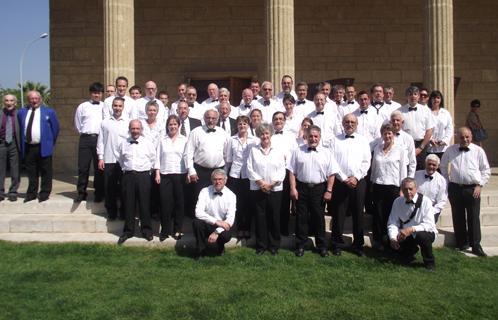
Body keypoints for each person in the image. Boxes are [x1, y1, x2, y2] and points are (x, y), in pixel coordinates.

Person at [441, 127, 491, 257]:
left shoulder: (478, 151)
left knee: (473, 217)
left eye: (467, 137)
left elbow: (486, 170)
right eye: (462, 137)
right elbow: (443, 165)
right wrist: (447, 182)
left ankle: (475, 245)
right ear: (457, 137)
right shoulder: (450, 150)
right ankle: (461, 242)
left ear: (471, 137)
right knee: (457, 216)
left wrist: (480, 185)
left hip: (472, 189)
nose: (464, 139)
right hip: (455, 187)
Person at [288, 125, 336, 257]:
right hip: (302, 188)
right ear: (306, 137)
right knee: (301, 218)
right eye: (311, 136)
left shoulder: (327, 153)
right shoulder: (298, 151)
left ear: (320, 138)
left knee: (319, 218)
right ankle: (300, 245)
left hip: (319, 189)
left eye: (316, 136)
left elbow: (331, 174)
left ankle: (321, 246)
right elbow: (292, 171)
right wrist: (293, 188)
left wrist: (329, 190)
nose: (313, 138)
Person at [329, 114, 371, 257]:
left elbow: (366, 161)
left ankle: (358, 245)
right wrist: (343, 178)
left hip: (358, 182)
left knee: (358, 214)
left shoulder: (363, 141)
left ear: (357, 124)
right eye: (347, 122)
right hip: (340, 183)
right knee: (338, 213)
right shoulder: (335, 140)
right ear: (342, 123)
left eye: (352, 122)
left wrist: (356, 177)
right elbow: (332, 161)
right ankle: (336, 244)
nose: (350, 124)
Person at [247, 123, 286, 255]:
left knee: (274, 217)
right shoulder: (253, 150)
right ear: (258, 135)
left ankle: (274, 245)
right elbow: (249, 169)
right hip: (258, 189)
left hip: (275, 189)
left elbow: (282, 169)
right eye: (262, 134)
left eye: (267, 133)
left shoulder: (278, 150)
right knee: (260, 217)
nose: (265, 136)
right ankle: (261, 245)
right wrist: (261, 183)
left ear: (271, 134)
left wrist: (271, 184)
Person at [117, 120, 156, 244]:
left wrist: (146, 171)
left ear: (141, 130)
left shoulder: (148, 143)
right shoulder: (123, 143)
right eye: (133, 128)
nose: (135, 131)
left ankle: (146, 231)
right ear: (129, 129)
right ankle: (128, 231)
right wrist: (127, 170)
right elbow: (120, 159)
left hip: (143, 176)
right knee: (129, 204)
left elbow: (153, 158)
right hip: (128, 176)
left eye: (137, 128)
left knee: (145, 204)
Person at [370, 123, 408, 250]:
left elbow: (403, 170)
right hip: (379, 185)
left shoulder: (401, 150)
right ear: (382, 135)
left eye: (389, 133)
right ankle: (378, 241)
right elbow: (374, 168)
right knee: (378, 214)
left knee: (391, 215)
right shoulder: (377, 149)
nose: (387, 136)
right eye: (385, 133)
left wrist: (403, 189)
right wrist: (372, 183)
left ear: (393, 134)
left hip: (393, 187)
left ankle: (390, 240)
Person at [18, 90, 60, 202]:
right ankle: (31, 193)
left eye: (36, 98)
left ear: (40, 99)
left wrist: (50, 142)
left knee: (46, 170)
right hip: (28, 146)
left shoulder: (49, 112)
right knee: (31, 171)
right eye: (32, 98)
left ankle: (44, 193)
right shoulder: (22, 112)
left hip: (43, 146)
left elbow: (55, 128)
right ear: (28, 100)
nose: (34, 100)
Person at [388, 177, 438, 270]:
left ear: (416, 189)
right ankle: (409, 252)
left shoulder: (426, 201)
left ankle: (429, 262)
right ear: (402, 190)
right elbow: (392, 222)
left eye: (410, 189)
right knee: (387, 240)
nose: (408, 192)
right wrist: (393, 238)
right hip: (405, 234)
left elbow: (429, 224)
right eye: (405, 189)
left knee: (422, 237)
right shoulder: (397, 201)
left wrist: (411, 229)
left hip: (425, 232)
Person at [185, 109, 229, 214]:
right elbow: (188, 153)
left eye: (213, 118)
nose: (210, 120)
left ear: (217, 120)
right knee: (200, 198)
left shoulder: (223, 133)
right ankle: (200, 224)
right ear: (204, 119)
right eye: (208, 118)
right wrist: (191, 171)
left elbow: (227, 154)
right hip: (200, 172)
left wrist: (225, 171)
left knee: (217, 198)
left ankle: (216, 224)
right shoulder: (196, 132)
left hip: (218, 171)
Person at [154, 115, 188, 241]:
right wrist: (157, 173)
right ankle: (165, 230)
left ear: (179, 126)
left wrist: (189, 172)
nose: (172, 126)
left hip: (180, 174)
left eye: (175, 124)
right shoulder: (162, 140)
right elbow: (157, 157)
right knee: (165, 203)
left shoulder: (184, 140)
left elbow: (187, 157)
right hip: (165, 174)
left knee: (179, 203)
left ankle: (178, 229)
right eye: (170, 124)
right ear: (167, 126)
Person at [225, 115, 259, 239]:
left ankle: (247, 228)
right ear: (236, 126)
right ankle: (239, 228)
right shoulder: (231, 140)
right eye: (240, 124)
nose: (242, 126)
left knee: (248, 203)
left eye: (244, 123)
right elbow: (228, 160)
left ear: (248, 125)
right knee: (237, 203)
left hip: (249, 176)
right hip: (234, 175)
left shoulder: (255, 141)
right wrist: (225, 175)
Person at [97, 97, 129, 220]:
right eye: (115, 105)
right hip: (109, 159)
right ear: (112, 106)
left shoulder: (128, 122)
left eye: (120, 106)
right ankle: (111, 211)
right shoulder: (105, 122)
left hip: (123, 161)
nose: (117, 108)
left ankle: (123, 212)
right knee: (109, 187)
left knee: (124, 188)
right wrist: (100, 158)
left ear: (123, 107)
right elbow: (100, 141)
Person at [193, 169, 236, 258]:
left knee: (225, 235)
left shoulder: (231, 195)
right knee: (197, 223)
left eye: (220, 179)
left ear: (225, 180)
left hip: (222, 226)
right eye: (215, 179)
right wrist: (216, 221)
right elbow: (198, 212)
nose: (217, 182)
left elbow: (230, 220)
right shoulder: (204, 191)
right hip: (208, 223)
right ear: (211, 180)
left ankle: (220, 247)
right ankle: (201, 251)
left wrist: (217, 231)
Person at [73, 82, 105, 203]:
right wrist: (85, 133)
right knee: (83, 167)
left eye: (99, 93)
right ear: (90, 93)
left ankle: (99, 193)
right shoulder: (82, 106)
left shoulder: (105, 106)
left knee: (99, 168)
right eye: (94, 92)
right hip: (85, 139)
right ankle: (81, 192)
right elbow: (77, 123)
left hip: (99, 139)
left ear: (102, 94)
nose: (96, 95)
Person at [271, 111, 298, 236]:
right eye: (276, 119)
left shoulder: (291, 136)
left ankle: (284, 228)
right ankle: (273, 228)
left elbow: (294, 154)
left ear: (284, 121)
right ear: (272, 121)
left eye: (281, 119)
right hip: (272, 171)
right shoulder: (269, 135)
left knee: (285, 201)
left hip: (287, 171)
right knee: (274, 201)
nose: (278, 121)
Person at [398, 86, 435, 170]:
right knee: (405, 169)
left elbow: (429, 131)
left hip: (421, 145)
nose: (413, 96)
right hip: (404, 145)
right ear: (406, 96)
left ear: (418, 97)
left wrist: (420, 148)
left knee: (420, 170)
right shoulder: (399, 111)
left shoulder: (426, 111)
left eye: (415, 94)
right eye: (410, 94)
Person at [414, 154, 447, 223]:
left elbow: (441, 201)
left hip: (432, 209)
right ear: (425, 164)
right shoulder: (416, 175)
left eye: (434, 165)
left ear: (438, 166)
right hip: (415, 208)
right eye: (429, 164)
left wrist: (431, 211)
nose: (431, 166)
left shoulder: (441, 180)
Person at [0, 94, 21, 202]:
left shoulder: (19, 114)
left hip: (14, 143)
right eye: (7, 100)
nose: (9, 103)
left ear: (15, 102)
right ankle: (0, 192)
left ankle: (13, 192)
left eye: (11, 100)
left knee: (15, 168)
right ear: (4, 102)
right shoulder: (0, 113)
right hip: (1, 143)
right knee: (1, 169)